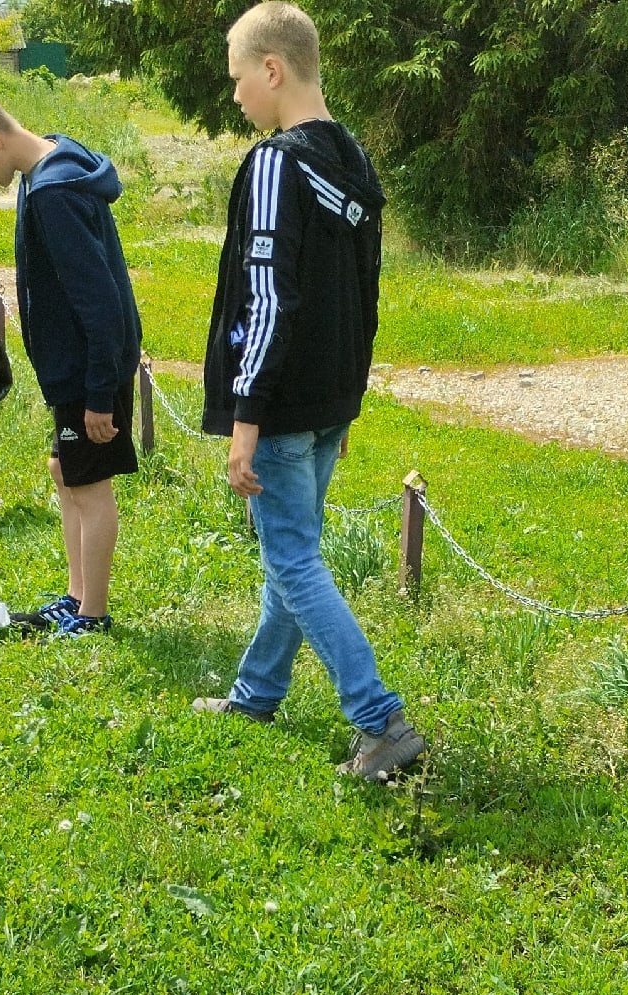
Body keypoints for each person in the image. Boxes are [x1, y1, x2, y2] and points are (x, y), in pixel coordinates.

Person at [190, 3, 426, 782]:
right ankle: (257, 694)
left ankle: (379, 719)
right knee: (290, 557)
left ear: (272, 69)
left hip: (285, 405)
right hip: (326, 402)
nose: (235, 99)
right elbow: (368, 293)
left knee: (291, 559)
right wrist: (348, 400)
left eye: (236, 82)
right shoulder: (355, 159)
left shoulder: (276, 163)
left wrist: (245, 419)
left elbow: (268, 296)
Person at [0, 87, 140, 640]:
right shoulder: (50, 162)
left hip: (88, 367)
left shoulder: (54, 193)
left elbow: (99, 301)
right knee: (64, 470)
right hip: (71, 366)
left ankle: (92, 615)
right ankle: (76, 597)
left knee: (91, 486)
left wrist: (100, 394)